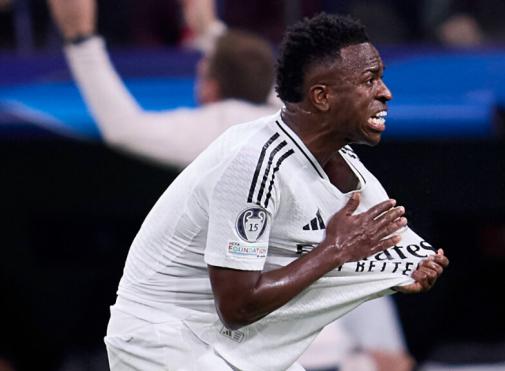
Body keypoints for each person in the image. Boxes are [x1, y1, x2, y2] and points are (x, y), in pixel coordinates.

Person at [48, 1, 418, 369]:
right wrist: (209, 31)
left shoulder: (283, 130)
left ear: (209, 88)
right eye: (370, 81)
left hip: (255, 331)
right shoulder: (245, 142)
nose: (383, 93)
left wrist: (82, 41)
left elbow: (123, 127)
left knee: (354, 244)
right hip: (195, 336)